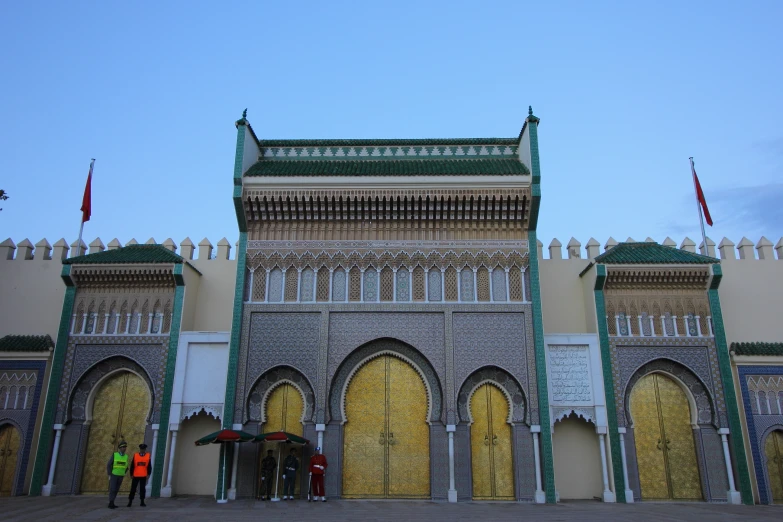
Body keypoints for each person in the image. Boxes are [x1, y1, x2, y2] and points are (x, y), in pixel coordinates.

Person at [106, 441, 129, 509]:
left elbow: (126, 466)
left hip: (121, 475)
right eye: (123, 447)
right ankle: (111, 502)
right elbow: (109, 464)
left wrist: (124, 472)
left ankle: (113, 502)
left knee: (116, 489)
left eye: (125, 447)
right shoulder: (115, 455)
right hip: (114, 474)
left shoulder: (126, 456)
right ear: (120, 448)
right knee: (112, 489)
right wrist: (110, 474)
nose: (124, 448)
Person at [127, 443, 152, 507]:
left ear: (145, 449)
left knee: (142, 489)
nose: (142, 450)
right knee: (133, 489)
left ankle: (142, 501)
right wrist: (131, 474)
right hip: (136, 475)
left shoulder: (147, 456)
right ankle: (130, 501)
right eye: (141, 449)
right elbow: (132, 465)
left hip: (143, 475)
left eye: (143, 449)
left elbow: (149, 466)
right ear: (140, 449)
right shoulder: (136, 455)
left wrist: (148, 474)